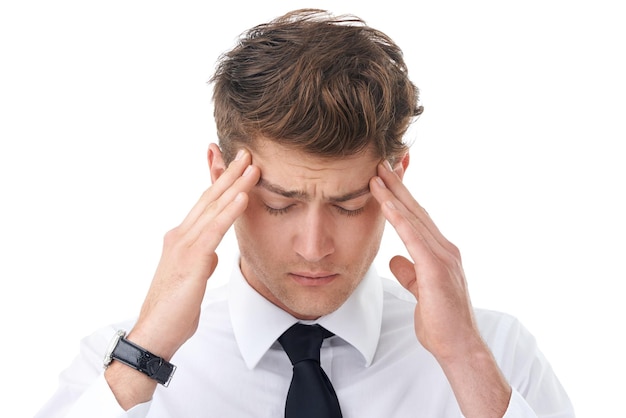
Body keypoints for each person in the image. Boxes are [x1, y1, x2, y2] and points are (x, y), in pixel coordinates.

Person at [36, 9, 574, 418]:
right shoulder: (116, 371)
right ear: (220, 176)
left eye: (350, 204)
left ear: (398, 177)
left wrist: (465, 361)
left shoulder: (496, 354)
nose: (314, 247)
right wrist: (145, 354)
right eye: (279, 203)